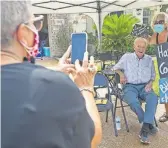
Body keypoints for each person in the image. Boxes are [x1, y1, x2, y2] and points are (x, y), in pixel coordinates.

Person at [1, 1, 102, 148]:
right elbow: (92, 138)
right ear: (23, 33)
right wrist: (86, 87)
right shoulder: (57, 87)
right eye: (35, 24)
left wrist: (51, 72)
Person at [112, 37, 158, 144]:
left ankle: (145, 129)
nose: (141, 49)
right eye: (138, 46)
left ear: (146, 48)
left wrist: (150, 83)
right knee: (133, 102)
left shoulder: (149, 59)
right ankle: (149, 124)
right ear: (134, 46)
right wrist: (121, 74)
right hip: (130, 86)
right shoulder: (127, 57)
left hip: (144, 86)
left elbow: (153, 75)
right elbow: (115, 67)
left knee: (153, 98)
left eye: (143, 47)